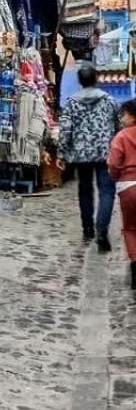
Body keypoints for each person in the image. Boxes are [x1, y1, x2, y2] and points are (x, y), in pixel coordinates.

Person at [59, 63, 121, 251]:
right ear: (96, 79)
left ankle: (87, 228)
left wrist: (61, 153)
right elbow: (118, 127)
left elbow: (65, 130)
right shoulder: (109, 101)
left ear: (79, 81)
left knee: (85, 190)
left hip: (81, 154)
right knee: (107, 191)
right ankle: (102, 229)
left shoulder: (71, 102)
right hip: (104, 152)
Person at [108, 99, 136, 289]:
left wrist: (115, 177)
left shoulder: (122, 136)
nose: (121, 118)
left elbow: (113, 163)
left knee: (131, 229)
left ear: (132, 116)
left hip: (129, 187)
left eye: (124, 114)